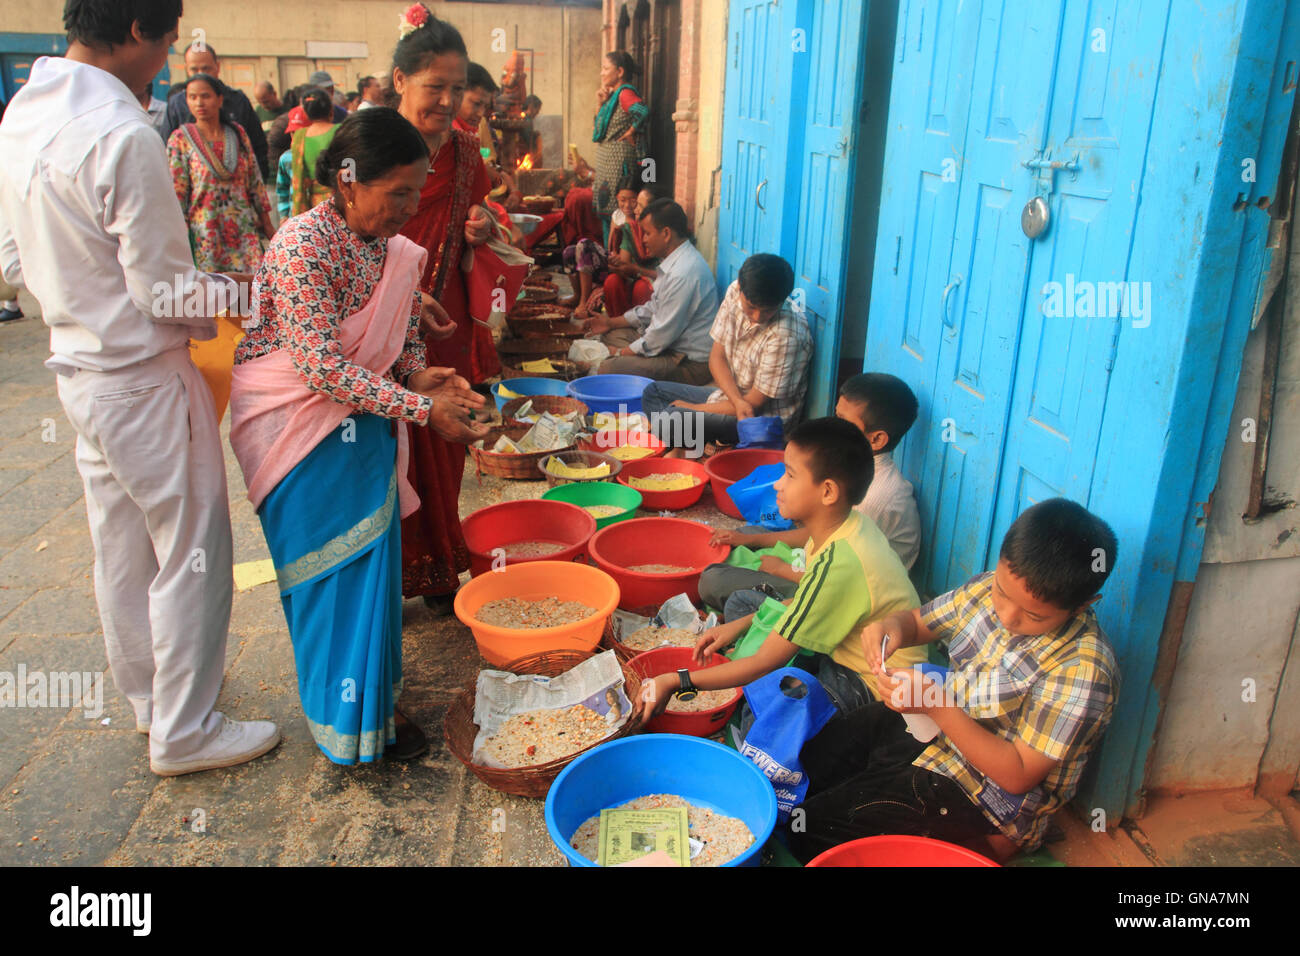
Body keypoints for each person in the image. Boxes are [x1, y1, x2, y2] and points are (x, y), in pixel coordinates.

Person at [0, 0, 279, 776]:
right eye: (164, 45)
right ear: (135, 35)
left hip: (79, 375)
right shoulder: (124, 135)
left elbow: (15, 267)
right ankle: (186, 730)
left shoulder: (23, 113)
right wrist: (248, 296)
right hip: (145, 379)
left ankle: (153, 703)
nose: (168, 64)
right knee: (191, 546)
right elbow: (167, 294)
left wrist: (79, 296)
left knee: (120, 548)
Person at [230, 108, 490, 764]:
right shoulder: (301, 245)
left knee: (372, 576)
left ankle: (375, 707)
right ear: (348, 183)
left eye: (416, 191)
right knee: (329, 584)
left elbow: (396, 353)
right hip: (297, 437)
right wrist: (421, 410)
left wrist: (425, 379)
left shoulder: (393, 252)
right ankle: (341, 727)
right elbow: (319, 365)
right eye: (397, 192)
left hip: (363, 428)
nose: (409, 207)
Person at [787, 498, 1120, 863]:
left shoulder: (1083, 669)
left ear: (1083, 606)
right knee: (812, 761)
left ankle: (977, 846)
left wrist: (936, 706)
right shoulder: (984, 590)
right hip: (936, 731)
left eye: (1032, 616)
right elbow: (916, 622)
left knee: (816, 829)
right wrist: (889, 628)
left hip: (989, 801)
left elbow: (1019, 774)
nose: (1007, 617)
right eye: (1003, 594)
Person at [633, 418, 927, 726]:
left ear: (827, 492)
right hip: (842, 649)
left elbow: (763, 662)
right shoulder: (846, 527)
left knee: (760, 718)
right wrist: (739, 626)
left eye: (789, 475)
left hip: (878, 690)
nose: (777, 484)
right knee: (742, 605)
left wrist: (674, 681)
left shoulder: (840, 561)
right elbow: (807, 602)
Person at [389, 4, 500, 608]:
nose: (448, 100)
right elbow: (345, 232)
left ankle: (440, 567)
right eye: (436, 87)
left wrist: (481, 224)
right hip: (384, 319)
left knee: (449, 434)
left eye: (458, 89)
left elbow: (479, 222)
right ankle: (396, 572)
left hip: (448, 318)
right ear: (402, 80)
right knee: (397, 447)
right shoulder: (372, 144)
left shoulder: (465, 152)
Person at [643, 252, 811, 454]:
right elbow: (717, 357)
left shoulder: (787, 335)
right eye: (751, 307)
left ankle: (685, 446)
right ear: (740, 286)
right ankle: (687, 445)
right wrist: (735, 399)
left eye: (768, 310)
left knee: (671, 418)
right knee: (653, 393)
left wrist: (692, 408)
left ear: (782, 301)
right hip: (731, 398)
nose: (758, 317)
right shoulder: (734, 292)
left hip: (758, 422)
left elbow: (753, 406)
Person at [582, 198, 718, 384]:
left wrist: (621, 353)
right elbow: (653, 308)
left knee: (608, 367)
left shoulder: (683, 273)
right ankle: (630, 358)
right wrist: (610, 323)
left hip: (688, 362)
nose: (644, 240)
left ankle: (628, 363)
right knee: (611, 335)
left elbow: (659, 335)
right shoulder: (676, 261)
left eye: (647, 233)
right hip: (668, 346)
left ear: (666, 234)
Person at [167, 73, 274, 272]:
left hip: (243, 229)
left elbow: (254, 181)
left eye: (205, 96)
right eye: (192, 97)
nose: (199, 103)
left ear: (220, 99)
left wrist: (268, 226)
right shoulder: (180, 139)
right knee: (213, 296)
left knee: (251, 292)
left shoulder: (238, 133)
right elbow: (177, 192)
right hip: (206, 233)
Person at [162, 40, 269, 180]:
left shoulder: (238, 101)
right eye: (194, 69)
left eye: (206, 69)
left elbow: (257, 147)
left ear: (217, 67)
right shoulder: (177, 105)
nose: (201, 74)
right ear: (186, 70)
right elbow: (166, 155)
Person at [592, 51, 648, 233]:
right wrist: (601, 103)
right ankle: (611, 257)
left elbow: (642, 111)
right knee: (609, 218)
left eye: (606, 68)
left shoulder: (625, 93)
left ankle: (618, 257)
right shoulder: (612, 97)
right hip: (608, 165)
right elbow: (601, 130)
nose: (602, 73)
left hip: (618, 163)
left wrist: (631, 131)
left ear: (620, 71)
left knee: (618, 217)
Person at [599, 185, 657, 316]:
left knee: (641, 288)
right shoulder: (631, 230)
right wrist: (613, 265)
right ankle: (619, 325)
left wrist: (637, 270)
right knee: (612, 281)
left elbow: (667, 275)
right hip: (635, 277)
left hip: (654, 285)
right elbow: (625, 265)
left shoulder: (663, 235)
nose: (635, 210)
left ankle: (642, 330)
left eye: (639, 206)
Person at [284, 88, 338, 217]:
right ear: (331, 109)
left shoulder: (299, 136)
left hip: (315, 207)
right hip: (341, 202)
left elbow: (298, 178)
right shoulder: (341, 130)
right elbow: (350, 166)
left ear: (306, 113)